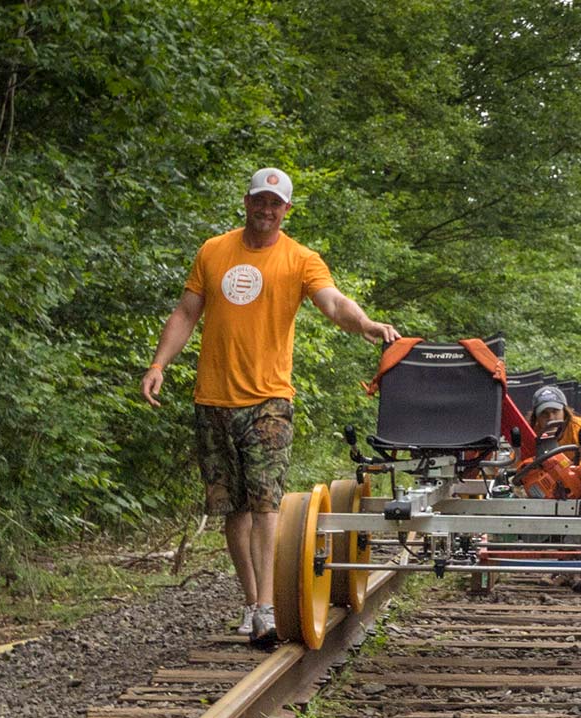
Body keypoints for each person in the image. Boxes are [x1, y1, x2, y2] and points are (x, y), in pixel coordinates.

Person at [140, 167, 399, 644]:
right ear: (247, 202)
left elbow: (333, 303)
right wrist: (159, 365)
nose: (266, 209)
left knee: (265, 502)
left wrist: (365, 324)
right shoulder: (213, 251)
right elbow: (186, 312)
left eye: (275, 204)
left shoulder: (300, 259)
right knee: (232, 508)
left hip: (269, 399)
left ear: (287, 210)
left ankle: (266, 607)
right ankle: (252, 601)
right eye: (260, 200)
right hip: (213, 398)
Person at [528, 384, 581, 464]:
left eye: (555, 411)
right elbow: (519, 466)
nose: (551, 417)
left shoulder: (580, 429)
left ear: (564, 411)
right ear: (536, 417)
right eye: (544, 413)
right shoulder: (531, 433)